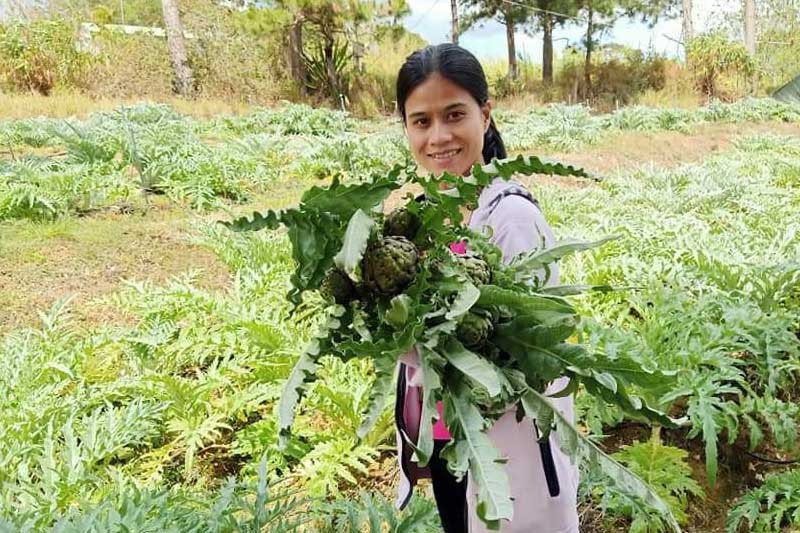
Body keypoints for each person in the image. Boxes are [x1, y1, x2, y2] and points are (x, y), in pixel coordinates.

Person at [392, 43, 580, 533]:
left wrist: (413, 342)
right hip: (451, 445)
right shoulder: (426, 217)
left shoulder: (512, 217)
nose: (439, 136)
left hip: (509, 457)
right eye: (421, 121)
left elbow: (530, 360)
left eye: (455, 114)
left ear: (486, 114)